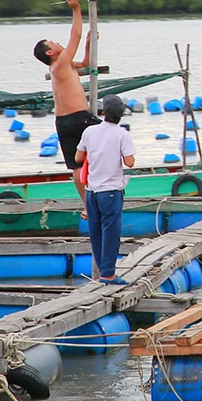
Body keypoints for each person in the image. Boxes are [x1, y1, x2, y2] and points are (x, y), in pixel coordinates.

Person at [33, 0, 97, 209]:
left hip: (63, 122)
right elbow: (75, 35)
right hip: (79, 118)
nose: (58, 42)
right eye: (53, 43)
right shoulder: (59, 63)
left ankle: (87, 205)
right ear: (50, 53)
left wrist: (89, 45)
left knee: (77, 165)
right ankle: (104, 190)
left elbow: (86, 63)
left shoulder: (63, 65)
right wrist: (76, 9)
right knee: (110, 138)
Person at [75, 95, 136, 285]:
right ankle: (108, 274)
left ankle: (103, 271)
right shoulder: (122, 134)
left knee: (96, 232)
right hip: (111, 191)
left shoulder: (89, 131)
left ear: (103, 113)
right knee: (111, 232)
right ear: (121, 116)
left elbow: (78, 157)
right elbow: (130, 162)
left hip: (91, 190)